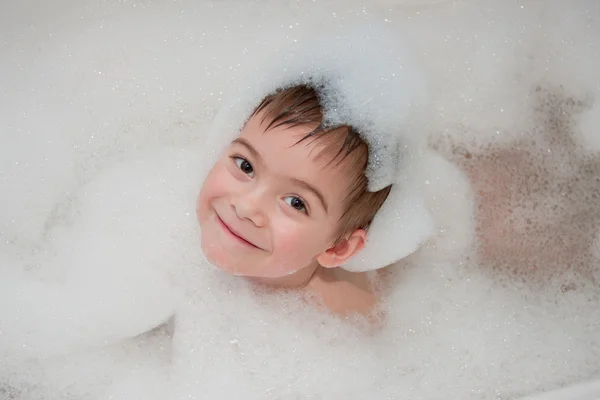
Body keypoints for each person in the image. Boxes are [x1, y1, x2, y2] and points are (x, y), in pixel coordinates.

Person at [196, 84, 393, 316]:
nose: (246, 207)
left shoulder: (334, 324)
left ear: (338, 247)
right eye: (245, 165)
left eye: (295, 203)